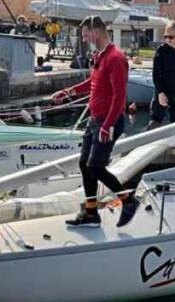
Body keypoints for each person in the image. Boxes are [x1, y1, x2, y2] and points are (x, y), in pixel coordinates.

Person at [52, 16, 134, 227]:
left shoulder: (116, 58)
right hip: (95, 120)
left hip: (108, 122)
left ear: (96, 31)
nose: (84, 38)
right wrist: (69, 91)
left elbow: (119, 96)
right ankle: (90, 213)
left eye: (85, 34)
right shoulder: (100, 55)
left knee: (96, 167)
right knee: (84, 164)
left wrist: (108, 125)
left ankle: (128, 200)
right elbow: (93, 82)